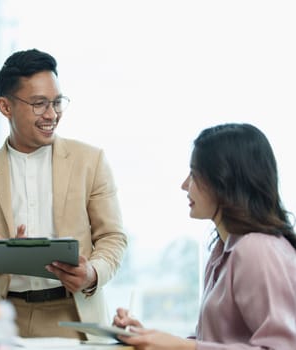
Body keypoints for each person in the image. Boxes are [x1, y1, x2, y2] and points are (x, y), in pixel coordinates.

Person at [0, 48, 127, 339]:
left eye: (57, 102)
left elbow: (113, 238)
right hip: (6, 320)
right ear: (5, 107)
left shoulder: (90, 160)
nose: (52, 114)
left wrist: (92, 273)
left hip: (76, 316)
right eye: (39, 104)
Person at [113, 123, 296, 349]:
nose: (184, 185)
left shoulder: (257, 248)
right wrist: (149, 337)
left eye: (194, 173)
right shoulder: (224, 249)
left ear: (223, 179)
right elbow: (213, 342)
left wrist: (183, 347)